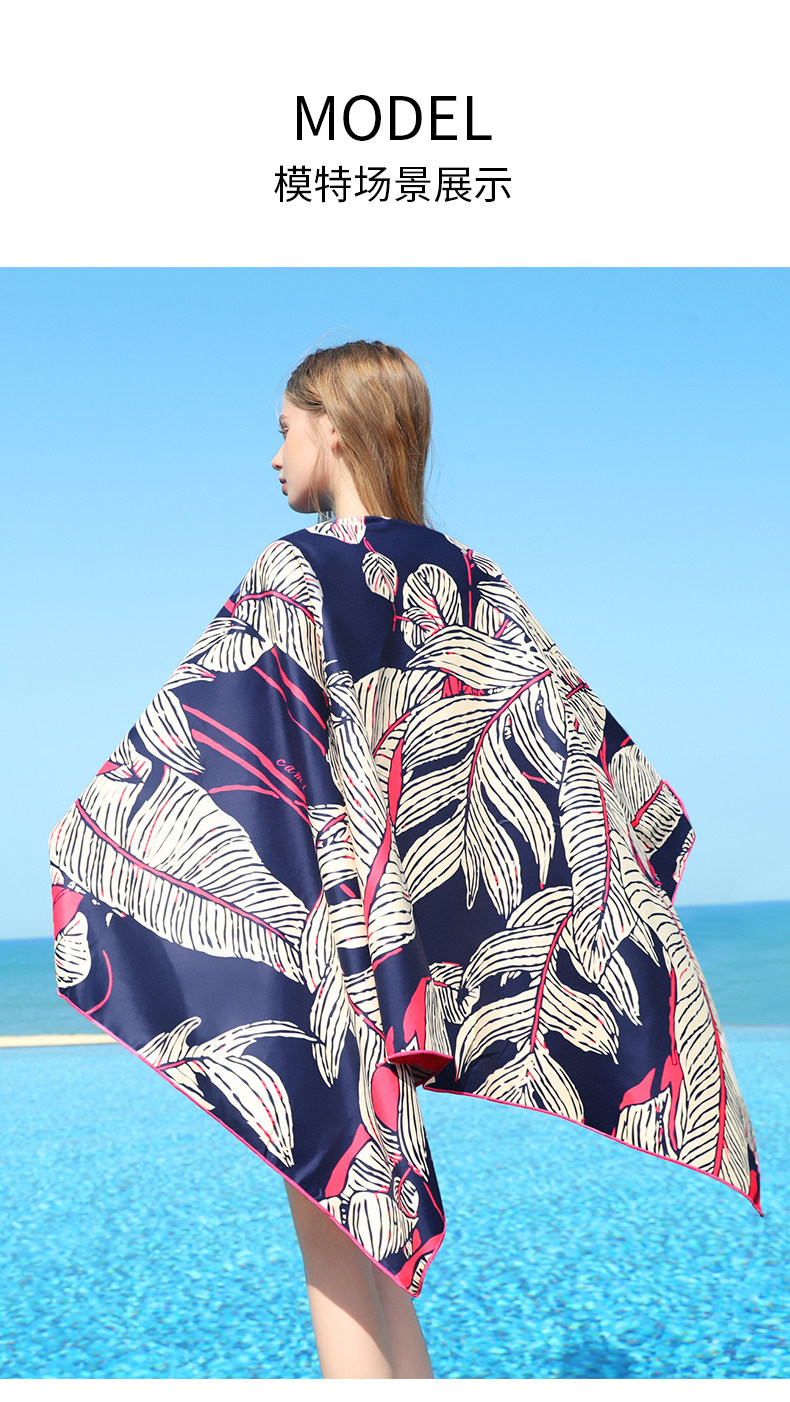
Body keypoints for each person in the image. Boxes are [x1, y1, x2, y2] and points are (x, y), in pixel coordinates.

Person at [49, 340, 761, 1381]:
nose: (274, 457)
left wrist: (84, 841)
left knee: (333, 1226)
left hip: (326, 948)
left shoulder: (295, 568)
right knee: (367, 1238)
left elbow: (210, 757)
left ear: (333, 428)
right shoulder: (473, 578)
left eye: (284, 430)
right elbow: (576, 757)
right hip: (407, 960)